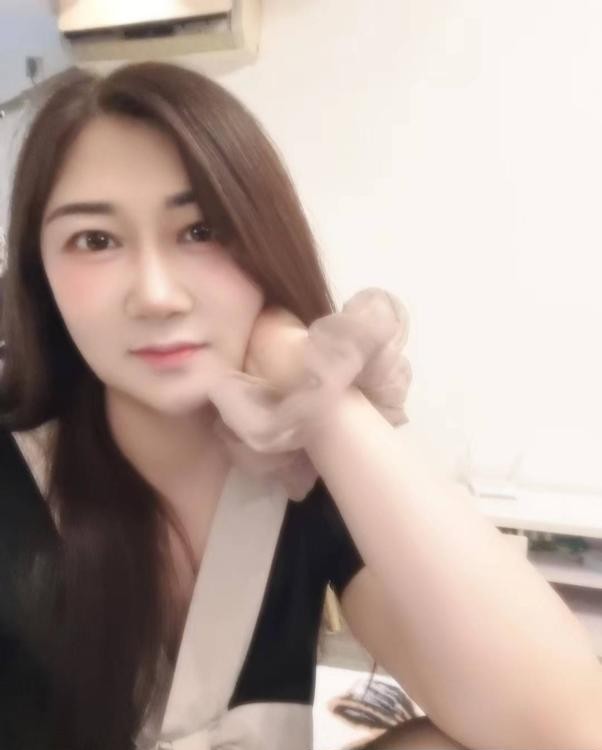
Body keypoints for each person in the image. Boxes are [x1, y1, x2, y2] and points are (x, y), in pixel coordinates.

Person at [0, 62, 600, 750]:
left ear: (264, 242)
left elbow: (563, 730)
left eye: (201, 231)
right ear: (40, 273)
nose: (157, 295)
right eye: (96, 241)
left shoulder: (308, 481)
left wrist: (315, 386)